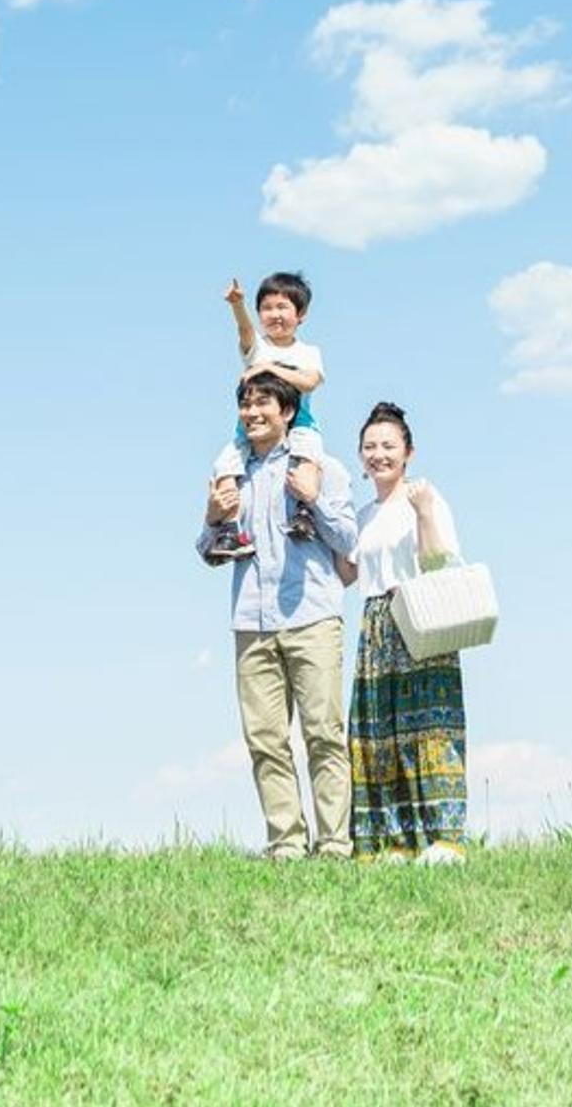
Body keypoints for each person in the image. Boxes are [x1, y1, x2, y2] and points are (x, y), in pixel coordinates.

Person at [198, 368, 359, 860]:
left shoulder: (322, 467)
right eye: (245, 404)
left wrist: (313, 499)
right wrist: (212, 518)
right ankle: (286, 843)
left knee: (323, 733)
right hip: (251, 621)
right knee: (265, 739)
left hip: (312, 616)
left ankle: (334, 844)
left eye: (262, 402)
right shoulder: (231, 473)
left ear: (288, 411)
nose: (252, 412)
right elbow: (208, 552)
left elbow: (348, 539)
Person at [340, 402, 469, 865]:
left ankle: (444, 838)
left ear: (408, 452)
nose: (379, 454)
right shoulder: (361, 514)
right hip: (376, 624)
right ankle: (391, 839)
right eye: (370, 446)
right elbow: (346, 574)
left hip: (420, 615)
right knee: (380, 732)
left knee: (429, 726)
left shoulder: (425, 498)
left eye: (388, 446)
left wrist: (425, 512)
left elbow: (438, 561)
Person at [208, 272, 326, 558]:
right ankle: (229, 530)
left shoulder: (308, 352)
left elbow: (310, 382)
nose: (275, 314)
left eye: (283, 307)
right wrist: (237, 305)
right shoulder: (257, 349)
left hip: (300, 423)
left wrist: (269, 368)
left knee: (309, 456)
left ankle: (304, 513)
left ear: (301, 315)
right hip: (251, 429)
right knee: (225, 465)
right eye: (267, 308)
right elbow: (244, 331)